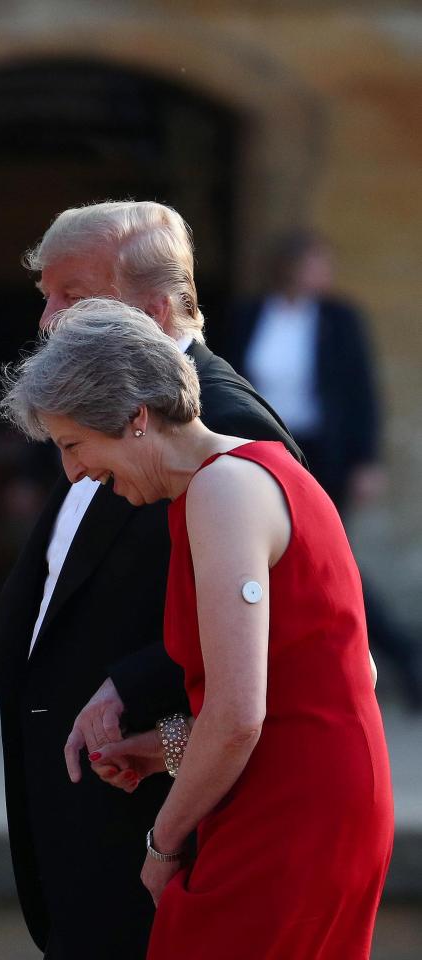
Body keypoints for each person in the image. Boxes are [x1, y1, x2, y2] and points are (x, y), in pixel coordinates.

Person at [0, 297, 394, 960]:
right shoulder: (241, 478)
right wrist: (167, 747)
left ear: (135, 419)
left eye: (73, 445)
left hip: (292, 819)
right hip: (319, 803)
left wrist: (163, 841)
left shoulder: (221, 492)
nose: (73, 474)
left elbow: (241, 716)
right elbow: (322, 678)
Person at [0, 200, 304, 959]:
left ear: (153, 308)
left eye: (71, 295)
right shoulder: (111, 400)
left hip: (157, 817)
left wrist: (131, 690)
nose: (47, 320)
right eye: (46, 296)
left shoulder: (234, 428)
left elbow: (273, 630)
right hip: (98, 805)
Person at [227, 229, 422, 709]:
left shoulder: (339, 319)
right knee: (287, 564)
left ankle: (398, 655)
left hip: (323, 455)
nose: (325, 274)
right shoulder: (252, 314)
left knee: (326, 563)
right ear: (290, 266)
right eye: (316, 264)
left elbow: (361, 393)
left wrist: (366, 460)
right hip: (265, 448)